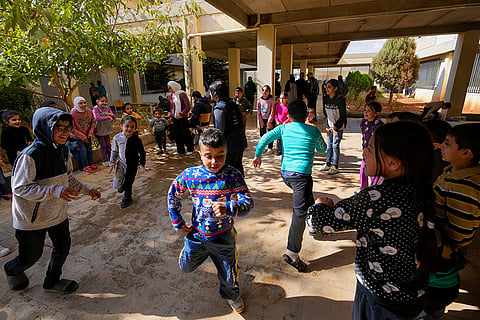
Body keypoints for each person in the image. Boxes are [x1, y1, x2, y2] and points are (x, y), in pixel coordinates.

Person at [307, 121, 438, 319]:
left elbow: (317, 223)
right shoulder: (421, 190)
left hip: (380, 297)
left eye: (369, 148)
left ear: (393, 163)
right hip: (413, 293)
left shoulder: (376, 199)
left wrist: (320, 205)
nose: (364, 153)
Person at [4, 107, 101, 294]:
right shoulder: (30, 156)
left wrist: (87, 190)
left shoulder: (64, 151)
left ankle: (52, 281)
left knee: (62, 248)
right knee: (31, 256)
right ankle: (12, 269)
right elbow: (20, 188)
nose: (65, 132)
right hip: (32, 220)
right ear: (44, 128)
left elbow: (68, 178)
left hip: (57, 214)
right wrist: (54, 190)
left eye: (68, 128)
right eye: (59, 128)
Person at [167, 128, 253, 314]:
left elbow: (247, 203)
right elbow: (173, 193)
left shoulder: (233, 176)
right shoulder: (190, 175)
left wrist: (230, 207)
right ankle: (194, 251)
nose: (214, 162)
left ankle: (231, 294)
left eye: (220, 156)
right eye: (208, 156)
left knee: (229, 276)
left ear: (226, 153)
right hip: (197, 235)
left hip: (224, 237)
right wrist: (178, 222)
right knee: (186, 266)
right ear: (200, 154)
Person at [252, 99, 327, 272]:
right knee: (299, 213)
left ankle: (314, 223)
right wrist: (318, 132)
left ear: (288, 114)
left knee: (308, 201)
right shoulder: (312, 130)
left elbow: (265, 137)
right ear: (306, 114)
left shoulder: (284, 127)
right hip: (301, 176)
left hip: (286, 174)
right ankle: (292, 254)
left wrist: (258, 155)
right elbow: (322, 149)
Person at [422, 123, 480, 319]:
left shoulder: (465, 187)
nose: (441, 146)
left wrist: (443, 251)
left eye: (447, 143)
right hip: (438, 245)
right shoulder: (451, 171)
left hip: (443, 250)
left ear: (466, 153)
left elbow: (459, 231)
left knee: (435, 292)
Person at [210, 81, 247, 175]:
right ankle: (241, 188)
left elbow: (219, 131)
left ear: (215, 92)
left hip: (229, 145)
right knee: (238, 168)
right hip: (239, 141)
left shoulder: (219, 108)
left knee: (227, 171)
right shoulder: (232, 103)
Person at [109, 116, 146, 208]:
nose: (129, 129)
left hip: (133, 164)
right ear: (121, 126)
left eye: (132, 127)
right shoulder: (117, 138)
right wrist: (112, 163)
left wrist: (141, 163)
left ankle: (127, 198)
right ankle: (122, 187)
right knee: (117, 183)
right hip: (121, 163)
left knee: (128, 182)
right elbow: (114, 151)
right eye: (127, 126)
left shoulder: (137, 139)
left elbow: (142, 152)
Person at [319, 79, 347, 175]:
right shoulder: (325, 98)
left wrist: (335, 128)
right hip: (330, 127)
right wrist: (327, 126)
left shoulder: (340, 99)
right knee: (329, 145)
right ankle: (328, 164)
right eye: (326, 87)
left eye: (329, 87)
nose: (327, 89)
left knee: (335, 145)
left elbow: (343, 115)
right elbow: (325, 113)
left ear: (335, 88)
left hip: (338, 127)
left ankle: (335, 166)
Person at [360, 101, 383, 190]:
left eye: (369, 111)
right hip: (366, 150)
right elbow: (364, 137)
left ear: (376, 113)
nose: (365, 112)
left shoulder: (378, 125)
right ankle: (363, 188)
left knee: (372, 170)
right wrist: (364, 148)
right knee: (363, 170)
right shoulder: (363, 122)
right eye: (365, 110)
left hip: (375, 152)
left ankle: (373, 188)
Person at [70, 96, 97, 173]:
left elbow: (92, 122)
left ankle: (91, 163)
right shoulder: (73, 113)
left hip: (88, 134)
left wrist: (90, 133)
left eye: (85, 102)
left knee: (89, 149)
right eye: (81, 103)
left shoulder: (89, 111)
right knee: (83, 151)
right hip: (79, 136)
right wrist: (82, 137)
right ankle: (85, 165)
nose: (83, 105)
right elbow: (72, 128)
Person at [167, 81, 194, 156]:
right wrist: (171, 117)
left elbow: (188, 106)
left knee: (185, 134)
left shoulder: (182, 94)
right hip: (175, 118)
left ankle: (190, 149)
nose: (169, 90)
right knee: (177, 135)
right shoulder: (172, 95)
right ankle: (180, 150)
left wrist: (181, 114)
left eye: (170, 88)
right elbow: (172, 107)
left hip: (183, 118)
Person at [93, 95, 116, 166]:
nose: (104, 103)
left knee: (108, 145)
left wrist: (110, 115)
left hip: (106, 129)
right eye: (102, 101)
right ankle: (105, 160)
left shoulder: (107, 108)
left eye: (105, 101)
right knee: (103, 146)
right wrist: (108, 115)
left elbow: (113, 116)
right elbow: (97, 118)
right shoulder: (95, 109)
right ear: (97, 102)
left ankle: (111, 159)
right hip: (99, 130)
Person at [257, 85, 275, 154]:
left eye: (266, 90)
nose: (264, 92)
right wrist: (261, 121)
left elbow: (272, 111)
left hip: (269, 120)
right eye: (263, 90)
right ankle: (263, 147)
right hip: (262, 120)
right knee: (262, 134)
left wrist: (269, 121)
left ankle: (270, 148)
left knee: (270, 134)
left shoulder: (271, 100)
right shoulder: (259, 100)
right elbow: (258, 112)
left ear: (269, 92)